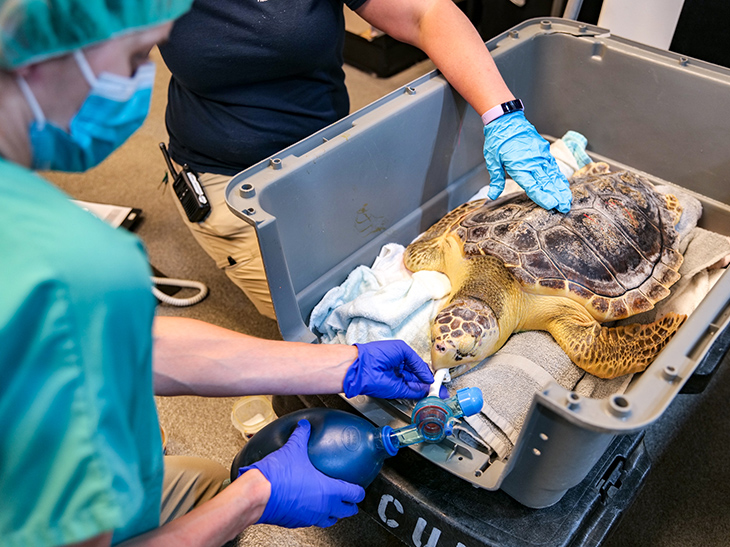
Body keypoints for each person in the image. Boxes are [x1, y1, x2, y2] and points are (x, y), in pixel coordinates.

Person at [0, 1, 441, 545]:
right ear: (37, 53)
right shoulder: (71, 268)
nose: (143, 81)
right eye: (138, 54)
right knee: (222, 498)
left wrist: (341, 365)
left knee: (208, 483)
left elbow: (128, 344)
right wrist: (254, 498)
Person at [159, 0, 573, 319]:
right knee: (332, 310)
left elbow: (423, 11)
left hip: (329, 155)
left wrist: (503, 115)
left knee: (423, 266)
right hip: (230, 179)